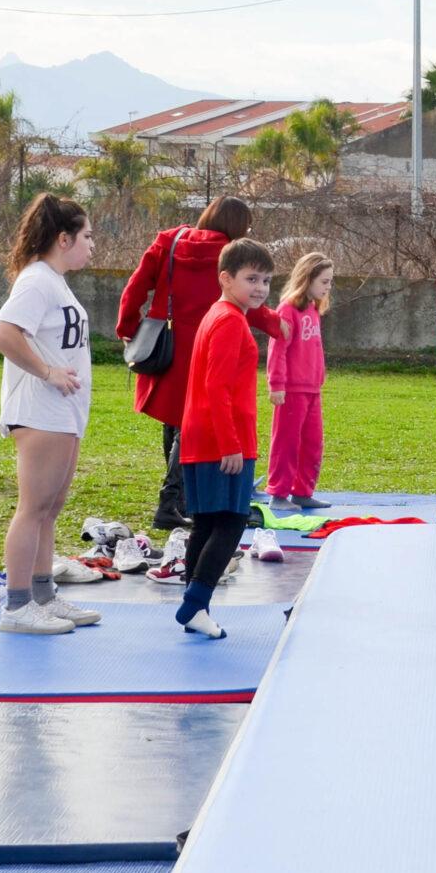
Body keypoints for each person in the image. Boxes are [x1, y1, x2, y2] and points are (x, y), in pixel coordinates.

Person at [116, 197, 279, 530]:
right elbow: (246, 297)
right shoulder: (230, 255)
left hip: (168, 341)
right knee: (185, 426)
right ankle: (171, 499)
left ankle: (180, 499)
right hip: (206, 342)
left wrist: (128, 328)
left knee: (173, 422)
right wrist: (279, 324)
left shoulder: (170, 240)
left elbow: (136, 286)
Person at [0, 194, 103, 636]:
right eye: (87, 236)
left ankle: (43, 595)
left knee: (50, 509)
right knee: (33, 507)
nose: (92, 244)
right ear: (63, 238)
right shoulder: (37, 280)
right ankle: (18, 606)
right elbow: (3, 332)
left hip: (64, 413)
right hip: (40, 412)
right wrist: (47, 372)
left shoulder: (55, 281)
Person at [175, 239, 276, 639]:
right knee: (231, 522)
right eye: (251, 279)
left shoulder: (219, 314)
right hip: (221, 439)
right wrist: (231, 444)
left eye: (266, 280)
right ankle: (195, 604)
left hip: (202, 436)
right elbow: (217, 387)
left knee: (206, 523)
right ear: (225, 278)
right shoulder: (230, 320)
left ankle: (193, 604)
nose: (260, 288)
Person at [267, 252, 333, 510]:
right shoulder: (287, 310)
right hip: (291, 390)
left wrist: (319, 376)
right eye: (324, 282)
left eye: (330, 282)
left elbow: (313, 348)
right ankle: (279, 493)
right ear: (308, 279)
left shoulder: (313, 309)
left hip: (311, 389)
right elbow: (278, 349)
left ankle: (303, 491)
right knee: (287, 442)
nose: (328, 287)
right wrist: (277, 385)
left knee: (313, 442)